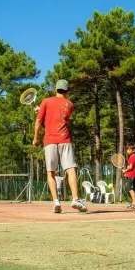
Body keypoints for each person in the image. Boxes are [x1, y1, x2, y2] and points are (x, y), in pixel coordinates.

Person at [33, 79, 88, 214]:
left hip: (50, 141)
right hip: (65, 140)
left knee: (50, 172)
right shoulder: (70, 104)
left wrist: (35, 138)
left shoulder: (46, 101)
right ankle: (75, 199)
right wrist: (43, 112)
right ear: (68, 91)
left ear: (55, 89)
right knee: (71, 169)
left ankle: (56, 201)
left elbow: (40, 120)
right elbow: (60, 118)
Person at [122, 145, 135, 209]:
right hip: (133, 175)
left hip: (132, 175)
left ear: (133, 150)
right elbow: (132, 168)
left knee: (130, 189)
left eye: (129, 150)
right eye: (127, 149)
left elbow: (130, 167)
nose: (127, 151)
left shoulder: (132, 157)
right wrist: (127, 173)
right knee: (133, 189)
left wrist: (125, 171)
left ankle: (134, 203)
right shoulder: (134, 157)